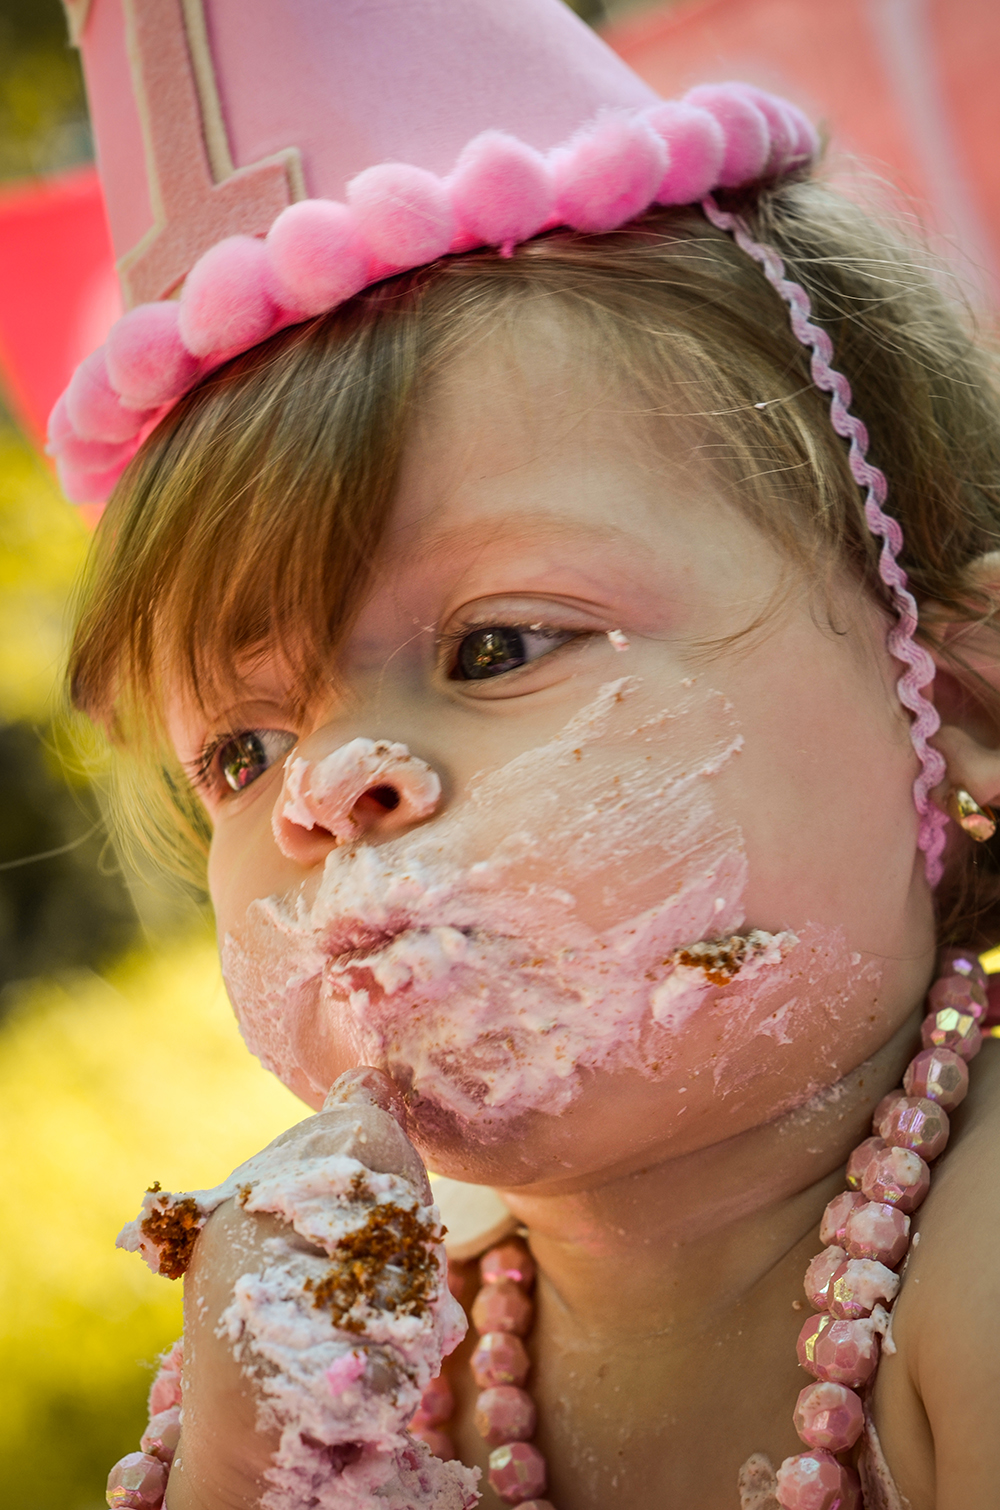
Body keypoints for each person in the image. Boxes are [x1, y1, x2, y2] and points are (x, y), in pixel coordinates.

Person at [52, 2, 1000, 1507]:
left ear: (953, 696)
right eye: (237, 749)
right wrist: (263, 1465)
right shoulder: (375, 1360)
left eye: (493, 645)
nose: (324, 789)